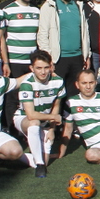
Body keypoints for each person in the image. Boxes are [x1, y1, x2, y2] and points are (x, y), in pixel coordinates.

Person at [14, 49, 66, 178]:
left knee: (45, 159)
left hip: (45, 121)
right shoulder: (27, 84)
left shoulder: (58, 81)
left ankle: (14, 157)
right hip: (23, 119)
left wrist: (52, 130)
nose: (43, 72)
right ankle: (40, 165)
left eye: (46, 67)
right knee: (34, 123)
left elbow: (56, 106)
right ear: (31, 68)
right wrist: (53, 117)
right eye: (38, 68)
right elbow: (31, 115)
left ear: (51, 66)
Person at [37, 0, 90, 97]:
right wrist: (48, 58)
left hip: (77, 57)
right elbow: (42, 34)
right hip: (58, 59)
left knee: (75, 93)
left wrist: (87, 55)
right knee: (57, 94)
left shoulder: (78, 6)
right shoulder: (49, 6)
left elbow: (85, 33)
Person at [3, 0, 40, 79]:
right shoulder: (7, 10)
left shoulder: (37, 11)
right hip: (14, 61)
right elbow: (2, 37)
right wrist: (5, 62)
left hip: (32, 61)